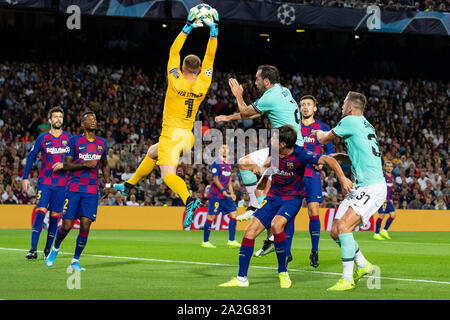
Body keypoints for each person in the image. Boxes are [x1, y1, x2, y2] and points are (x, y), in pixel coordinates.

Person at [114, 5, 219, 228]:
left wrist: (188, 27)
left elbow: (173, 52)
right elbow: (210, 59)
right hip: (188, 137)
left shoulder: (175, 80)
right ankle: (129, 185)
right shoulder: (204, 82)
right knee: (152, 152)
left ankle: (189, 200)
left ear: (182, 67)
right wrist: (214, 31)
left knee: (168, 175)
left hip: (172, 136)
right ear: (199, 70)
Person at [219, 125, 352, 288]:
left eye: (274, 139)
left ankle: (283, 272)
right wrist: (262, 170)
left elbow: (328, 159)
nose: (271, 141)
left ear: (283, 144)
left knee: (276, 225)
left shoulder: (301, 154)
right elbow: (270, 162)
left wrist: (343, 178)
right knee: (249, 231)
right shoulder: (274, 149)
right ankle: (241, 279)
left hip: (292, 199)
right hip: (273, 197)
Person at [215, 64, 304, 256]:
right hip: (286, 146)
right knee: (245, 164)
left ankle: (272, 237)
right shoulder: (282, 91)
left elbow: (247, 112)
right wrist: (230, 117)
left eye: (257, 79)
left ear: (266, 81)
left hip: (287, 151)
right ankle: (256, 207)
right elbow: (254, 112)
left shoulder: (270, 96)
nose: (255, 83)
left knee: (269, 193)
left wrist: (238, 95)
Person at [313, 91, 387, 291]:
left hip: (371, 186)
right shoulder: (365, 124)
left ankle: (347, 279)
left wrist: (315, 132)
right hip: (363, 185)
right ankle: (363, 265)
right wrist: (336, 157)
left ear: (351, 107)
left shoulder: (350, 121)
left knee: (344, 227)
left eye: (344, 103)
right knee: (336, 231)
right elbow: (355, 155)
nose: (342, 106)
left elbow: (323, 139)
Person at [46, 111, 112, 271]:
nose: (93, 121)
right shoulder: (74, 141)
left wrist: (108, 184)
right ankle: (55, 248)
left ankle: (75, 260)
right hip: (74, 188)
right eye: (89, 119)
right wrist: (84, 164)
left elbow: (104, 164)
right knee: (67, 225)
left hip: (91, 190)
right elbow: (66, 165)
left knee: (85, 225)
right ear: (82, 124)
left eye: (94, 118)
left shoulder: (102, 143)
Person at [22, 107, 72, 260]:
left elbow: (76, 161)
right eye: (55, 117)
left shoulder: (69, 138)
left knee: (55, 216)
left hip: (62, 184)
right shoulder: (42, 138)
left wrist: (64, 165)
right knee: (40, 212)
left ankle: (46, 250)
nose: (58, 119)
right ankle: (32, 249)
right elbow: (31, 157)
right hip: (45, 182)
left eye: (60, 117)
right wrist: (25, 177)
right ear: (50, 120)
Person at [299, 95, 334, 268]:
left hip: (312, 175)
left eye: (308, 105)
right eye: (302, 105)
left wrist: (323, 162)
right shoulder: (294, 127)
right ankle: (287, 252)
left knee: (313, 212)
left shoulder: (322, 127)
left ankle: (314, 251)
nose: (305, 107)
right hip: (294, 174)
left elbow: (330, 149)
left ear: (315, 108)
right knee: (288, 213)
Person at [202, 145, 241, 249]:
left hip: (226, 195)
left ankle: (231, 241)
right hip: (216, 195)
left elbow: (228, 181)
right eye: (222, 148)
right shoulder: (216, 162)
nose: (225, 149)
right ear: (219, 150)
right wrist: (223, 190)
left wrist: (232, 193)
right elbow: (215, 179)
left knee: (234, 214)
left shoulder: (228, 164)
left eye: (227, 148)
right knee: (211, 217)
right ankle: (205, 241)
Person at [374, 160, 396, 240]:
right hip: (382, 200)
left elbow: (390, 189)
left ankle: (384, 230)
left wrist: (391, 198)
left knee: (393, 215)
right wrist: (380, 197)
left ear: (392, 168)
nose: (389, 168)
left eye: (390, 166)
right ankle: (376, 233)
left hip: (388, 200)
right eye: (387, 166)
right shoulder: (382, 177)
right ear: (384, 167)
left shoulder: (392, 177)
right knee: (381, 216)